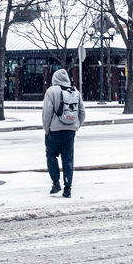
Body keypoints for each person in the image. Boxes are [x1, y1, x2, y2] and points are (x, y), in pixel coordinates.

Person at [42, 69, 86, 198]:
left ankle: (56, 182)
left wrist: (47, 130)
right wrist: (75, 126)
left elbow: (47, 113)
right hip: (70, 132)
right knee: (68, 159)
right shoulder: (75, 92)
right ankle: (68, 188)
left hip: (55, 131)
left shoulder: (51, 91)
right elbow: (82, 113)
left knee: (51, 155)